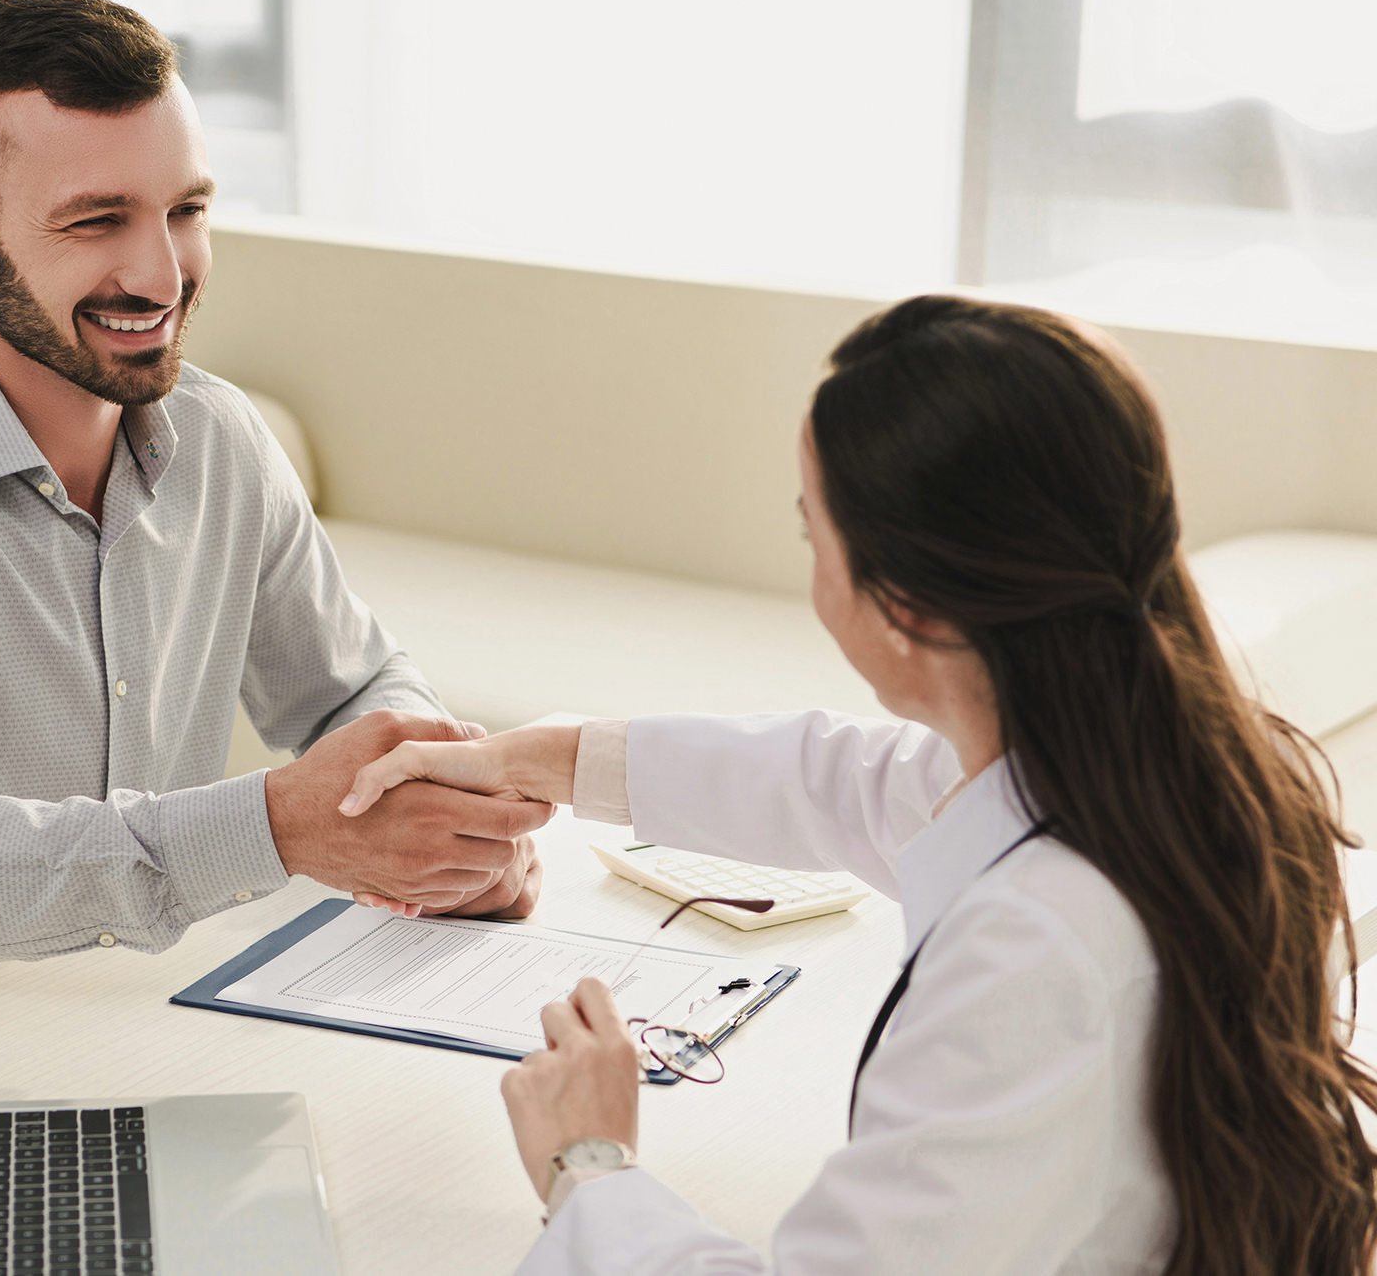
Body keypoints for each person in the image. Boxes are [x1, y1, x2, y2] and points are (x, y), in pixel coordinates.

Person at [340, 295, 1377, 1274]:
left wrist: (587, 1162)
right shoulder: (1170, 765)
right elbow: (838, 778)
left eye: (812, 532)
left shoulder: (1032, 950)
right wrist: (536, 757)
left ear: (905, 609)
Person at [0, 0, 547, 1059]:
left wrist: (437, 813)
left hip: (135, 1022)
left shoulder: (219, 440)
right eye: (98, 221)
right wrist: (277, 826)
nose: (160, 272)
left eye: (183, 210)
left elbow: (356, 692)